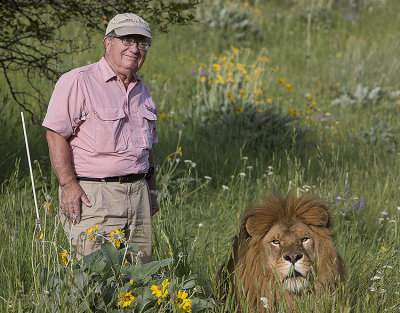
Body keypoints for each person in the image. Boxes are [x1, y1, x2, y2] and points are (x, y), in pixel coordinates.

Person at [42, 13, 159, 263]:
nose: (135, 49)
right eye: (127, 40)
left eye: (141, 43)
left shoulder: (142, 90)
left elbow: (147, 149)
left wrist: (152, 190)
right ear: (108, 43)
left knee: (139, 279)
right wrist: (68, 185)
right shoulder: (79, 81)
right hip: (95, 196)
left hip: (138, 196)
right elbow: (55, 134)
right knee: (95, 279)